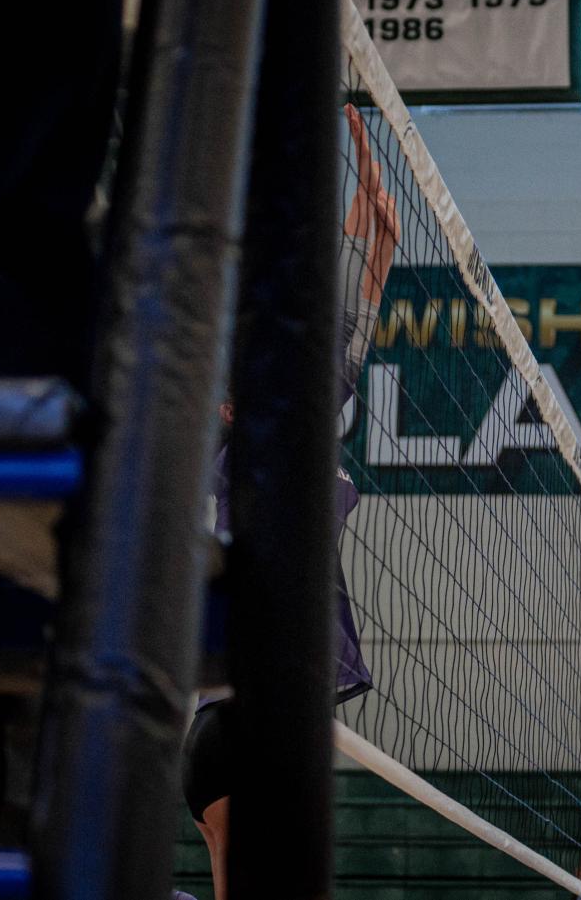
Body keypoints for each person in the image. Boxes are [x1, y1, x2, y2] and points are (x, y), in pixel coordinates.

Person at [180, 103, 400, 900]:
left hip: (267, 712)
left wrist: (370, 210)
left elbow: (371, 278)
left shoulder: (289, 439)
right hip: (234, 716)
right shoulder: (224, 457)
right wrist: (361, 238)